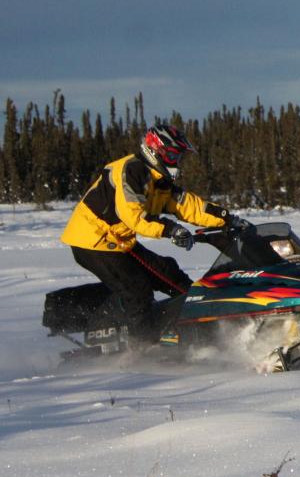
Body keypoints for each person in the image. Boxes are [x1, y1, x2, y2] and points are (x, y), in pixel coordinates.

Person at [60, 123, 244, 346]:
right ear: (157, 151)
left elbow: (188, 205)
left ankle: (199, 325)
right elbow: (133, 216)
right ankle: (142, 349)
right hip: (92, 241)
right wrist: (170, 229)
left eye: (179, 157)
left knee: (169, 273)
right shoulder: (133, 170)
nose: (177, 162)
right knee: (137, 289)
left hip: (118, 240)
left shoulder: (159, 179)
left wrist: (226, 217)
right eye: (174, 155)